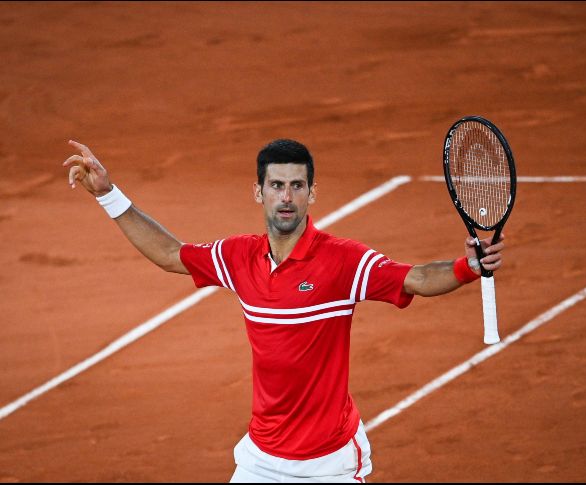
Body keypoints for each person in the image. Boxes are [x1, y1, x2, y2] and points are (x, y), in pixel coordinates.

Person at [63, 138, 505, 483]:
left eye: (297, 186)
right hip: (261, 458)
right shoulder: (238, 257)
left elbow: (415, 279)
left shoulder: (342, 261)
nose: (287, 197)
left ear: (312, 193)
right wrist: (108, 195)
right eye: (277, 186)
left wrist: (469, 267)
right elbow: (170, 254)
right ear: (259, 192)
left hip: (328, 464)